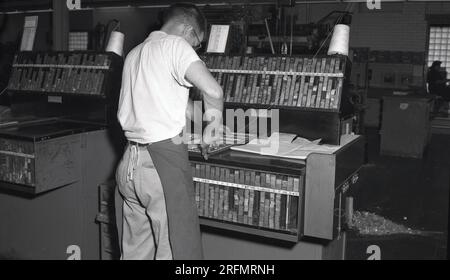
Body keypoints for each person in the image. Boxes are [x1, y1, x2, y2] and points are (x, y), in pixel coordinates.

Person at [116, 3, 224, 260]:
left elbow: (175, 104)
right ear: (188, 30)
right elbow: (213, 91)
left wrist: (201, 122)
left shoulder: (135, 53)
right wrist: (215, 125)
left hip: (129, 165)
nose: (195, 48)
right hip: (160, 167)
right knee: (176, 252)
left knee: (135, 253)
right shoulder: (176, 46)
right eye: (197, 43)